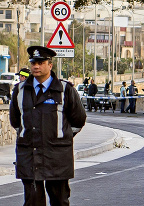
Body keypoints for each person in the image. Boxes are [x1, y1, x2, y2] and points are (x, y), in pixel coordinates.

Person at [9, 45, 86, 205]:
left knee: (60, 201)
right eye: (33, 63)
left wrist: (60, 136)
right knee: (33, 201)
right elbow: (16, 122)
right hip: (29, 155)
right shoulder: (20, 90)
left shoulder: (65, 90)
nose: (36, 66)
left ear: (50, 65)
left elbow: (78, 119)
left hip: (57, 157)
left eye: (40, 62)